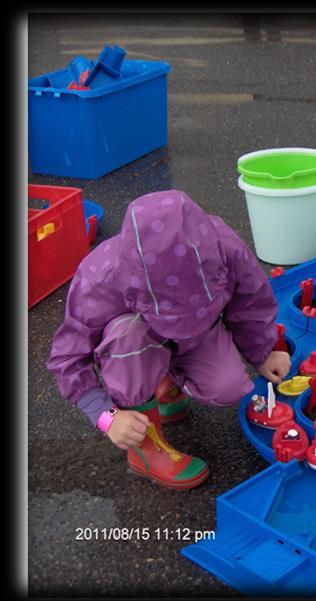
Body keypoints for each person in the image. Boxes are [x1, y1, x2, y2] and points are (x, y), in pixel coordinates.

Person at [47, 190, 291, 490]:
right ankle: (145, 450)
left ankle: (166, 382)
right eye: (173, 314)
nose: (182, 322)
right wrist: (106, 416)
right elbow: (67, 357)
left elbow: (251, 300)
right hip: (137, 343)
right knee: (127, 333)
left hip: (198, 336)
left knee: (229, 387)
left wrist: (262, 351)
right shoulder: (100, 276)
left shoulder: (225, 247)